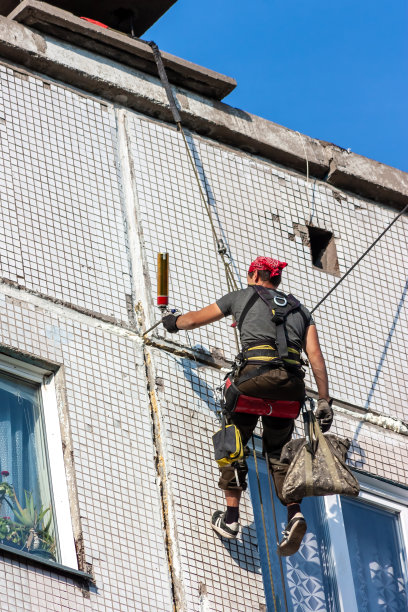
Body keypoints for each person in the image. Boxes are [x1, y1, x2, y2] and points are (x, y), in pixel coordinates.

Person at [162, 256, 333, 556]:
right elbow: (316, 357)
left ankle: (230, 518)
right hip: (290, 390)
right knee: (279, 451)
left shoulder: (241, 296)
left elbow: (193, 320)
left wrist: (172, 322)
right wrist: (324, 400)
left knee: (233, 439)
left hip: (253, 382)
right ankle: (294, 512)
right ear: (276, 280)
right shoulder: (300, 310)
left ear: (255, 275)